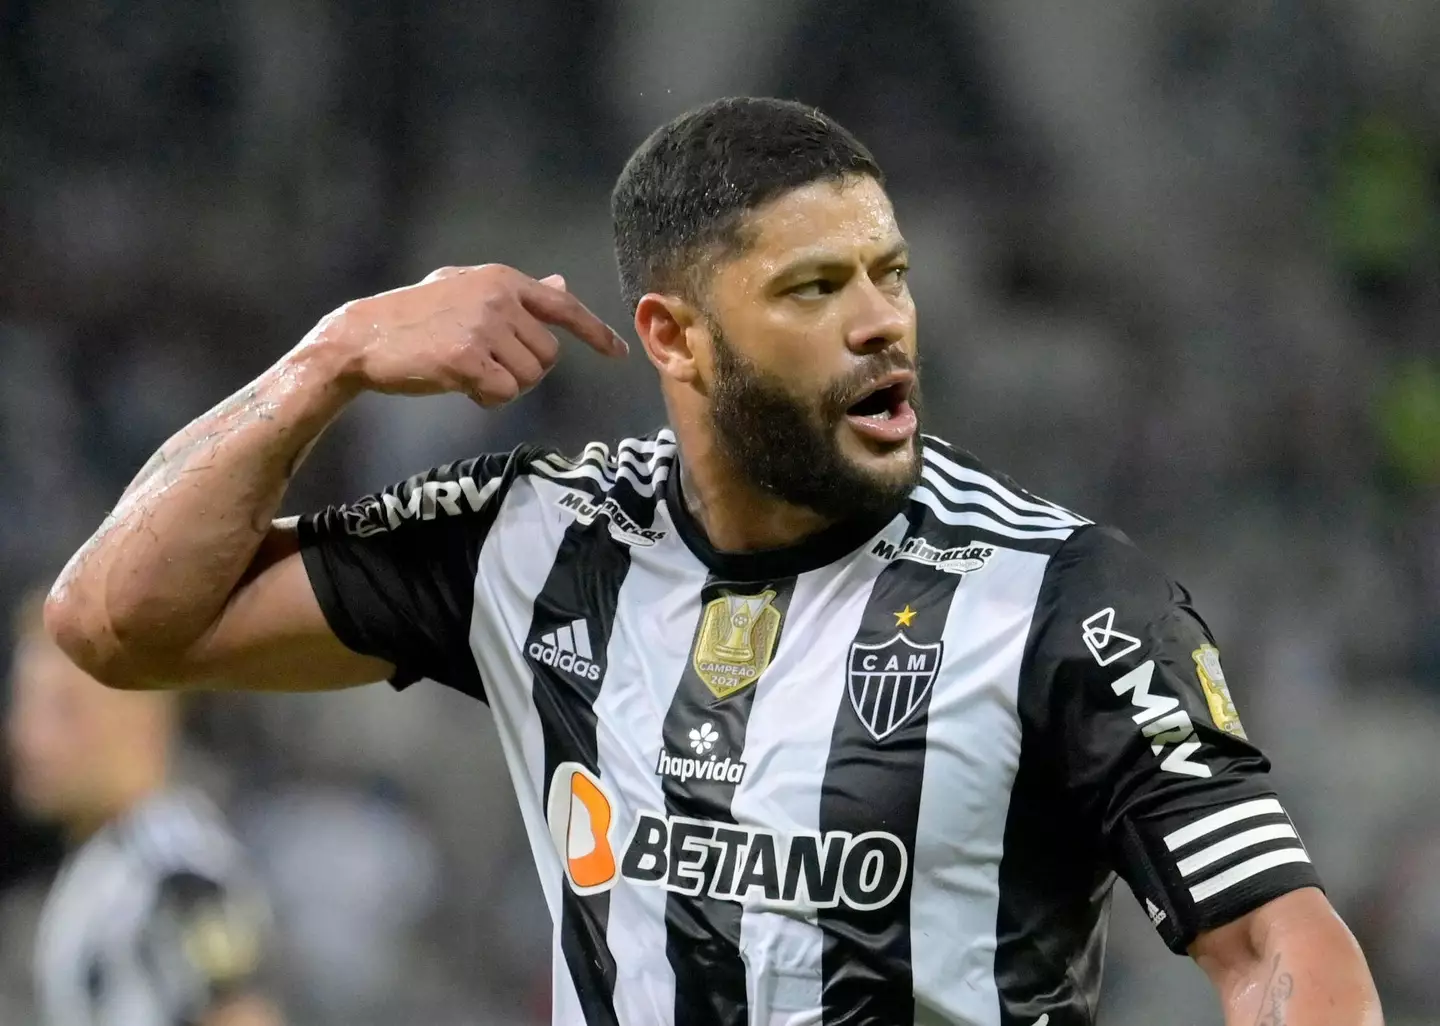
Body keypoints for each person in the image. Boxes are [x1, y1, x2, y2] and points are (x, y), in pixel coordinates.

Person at [42, 96, 1381, 1025]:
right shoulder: (538, 543)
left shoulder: (1063, 598)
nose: (879, 323)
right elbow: (116, 623)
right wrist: (329, 357)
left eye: (889, 274)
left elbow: (1277, 945)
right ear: (673, 338)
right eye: (813, 289)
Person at [7, 590, 281, 1026]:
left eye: (64, 709)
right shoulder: (107, 864)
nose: (26, 737)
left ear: (141, 710)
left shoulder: (173, 871)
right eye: (24, 705)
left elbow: (240, 1016)